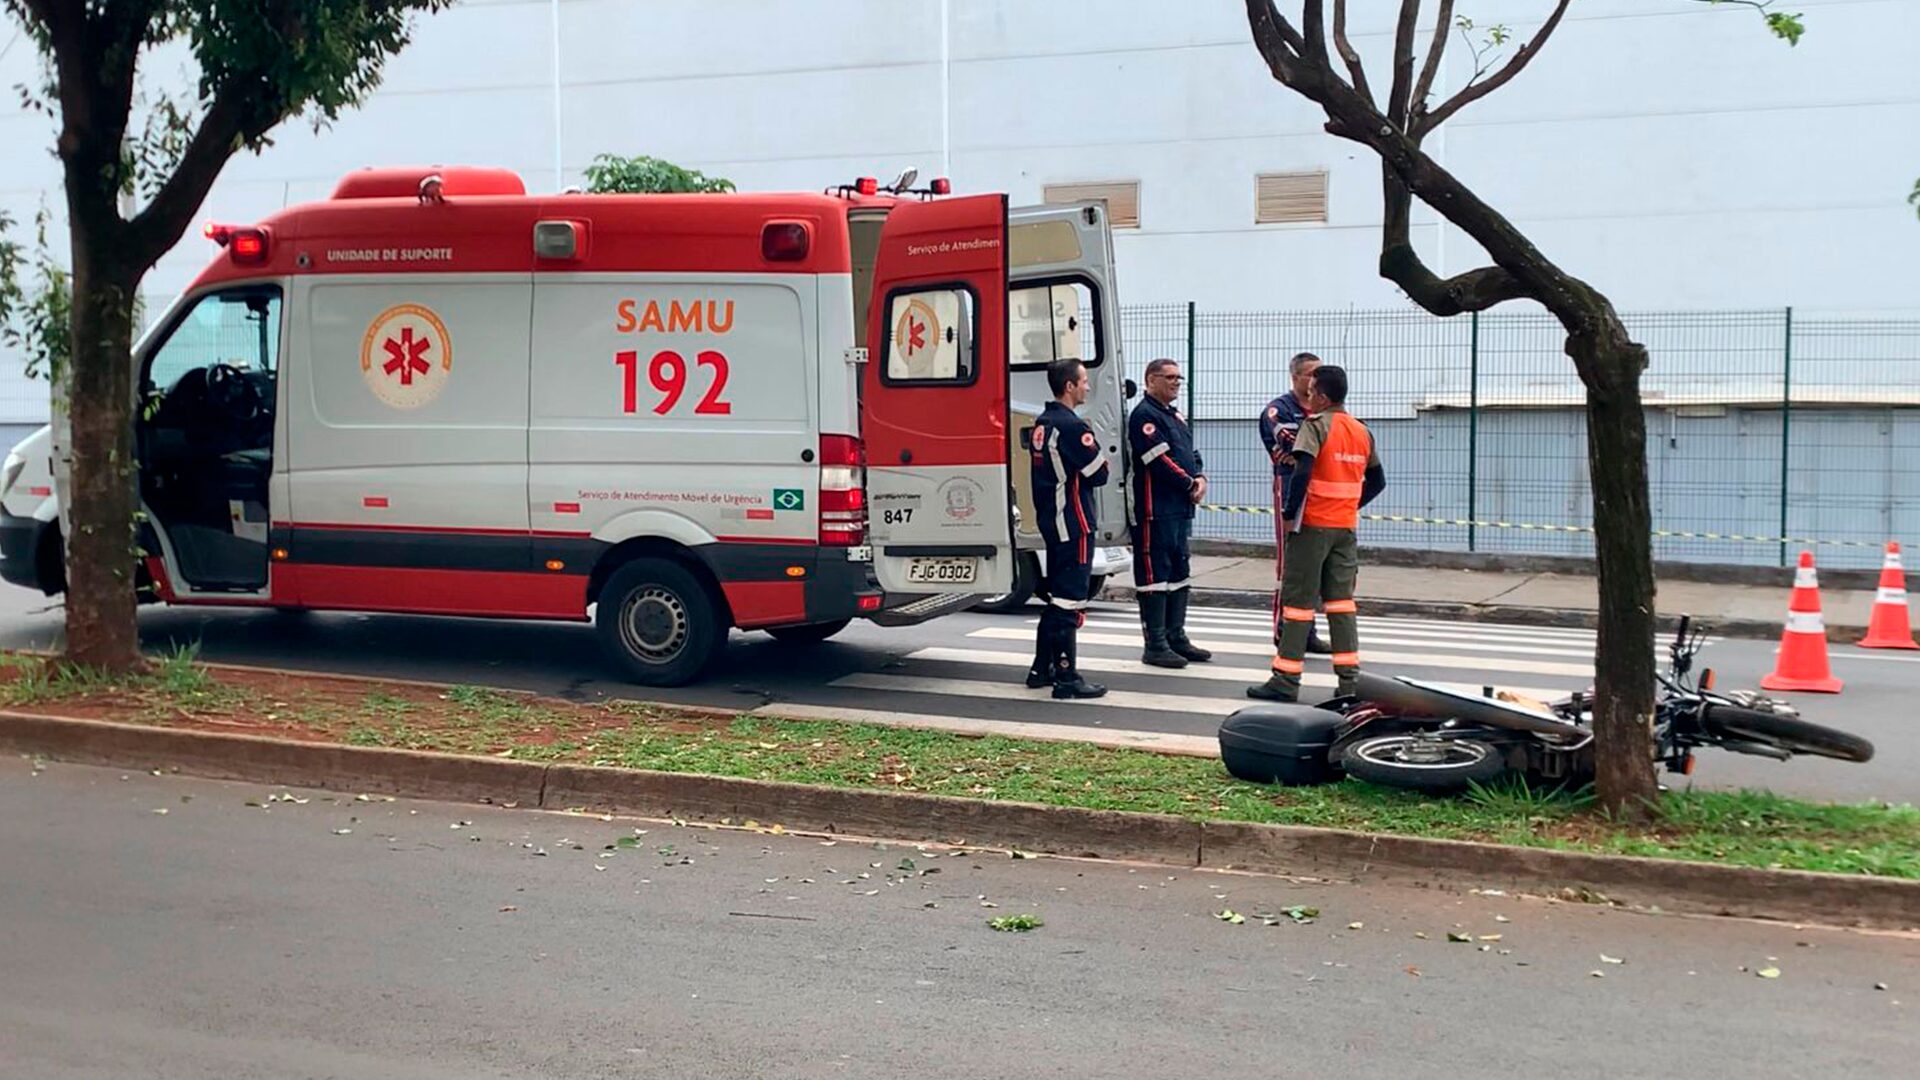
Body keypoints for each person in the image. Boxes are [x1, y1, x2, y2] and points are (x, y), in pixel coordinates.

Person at [1248, 364, 1386, 702]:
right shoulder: (1360, 431)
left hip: (1311, 526)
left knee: (1297, 604)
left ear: (1321, 396)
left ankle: (1285, 680)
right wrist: (1350, 505)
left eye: (1311, 393)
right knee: (1341, 605)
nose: (1308, 398)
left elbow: (1302, 470)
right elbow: (1378, 481)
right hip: (1344, 528)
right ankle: (1350, 684)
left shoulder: (1315, 426)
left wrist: (1289, 512)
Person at [1026, 357, 1109, 699]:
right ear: (1070, 386)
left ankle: (1040, 669)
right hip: (1074, 523)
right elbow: (1099, 474)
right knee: (1069, 603)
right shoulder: (1073, 427)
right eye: (1084, 381)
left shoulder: (1042, 423)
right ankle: (1066, 678)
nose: (1088, 386)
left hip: (1052, 520)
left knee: (1057, 599)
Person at [1127, 357, 1212, 669]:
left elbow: (1191, 453)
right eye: (1170, 377)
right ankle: (1156, 644)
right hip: (1156, 509)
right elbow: (1157, 460)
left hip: (1180, 508)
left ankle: (1177, 637)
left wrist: (1200, 477)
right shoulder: (1144, 416)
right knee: (1155, 575)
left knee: (1179, 573)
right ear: (1151, 380)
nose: (1177, 382)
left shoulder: (1174, 415)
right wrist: (1189, 483)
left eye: (1180, 377)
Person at [1258, 352, 1331, 656]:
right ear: (1296, 377)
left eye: (1320, 373)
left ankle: (1308, 629)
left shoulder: (1325, 408)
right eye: (1311, 373)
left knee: (1314, 563)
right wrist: (1310, 451)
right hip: (1290, 487)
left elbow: (1327, 443)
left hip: (1321, 489)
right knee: (1290, 563)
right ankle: (1284, 630)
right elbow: (1294, 443)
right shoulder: (1278, 409)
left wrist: (1311, 452)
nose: (1316, 379)